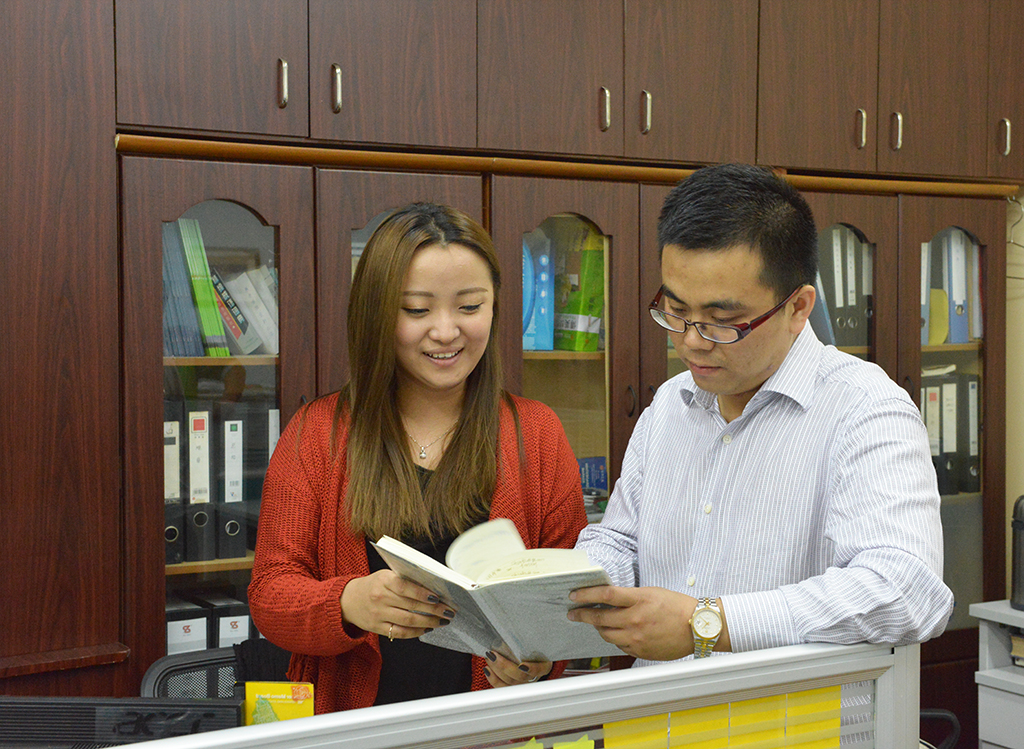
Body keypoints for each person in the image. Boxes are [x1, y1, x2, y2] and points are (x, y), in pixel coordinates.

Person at [569, 163, 953, 664]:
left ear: (798, 308)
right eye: (677, 311)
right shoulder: (669, 404)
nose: (691, 342)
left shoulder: (865, 411)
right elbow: (621, 541)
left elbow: (906, 591)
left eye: (723, 321)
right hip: (659, 709)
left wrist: (707, 624)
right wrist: (554, 604)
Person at [249, 202, 587, 713]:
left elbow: (568, 604)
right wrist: (348, 602)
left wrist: (538, 664)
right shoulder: (318, 433)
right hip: (355, 729)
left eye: (469, 307)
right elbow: (270, 596)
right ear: (377, 313)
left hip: (490, 729)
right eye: (417, 310)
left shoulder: (535, 434)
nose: (446, 332)